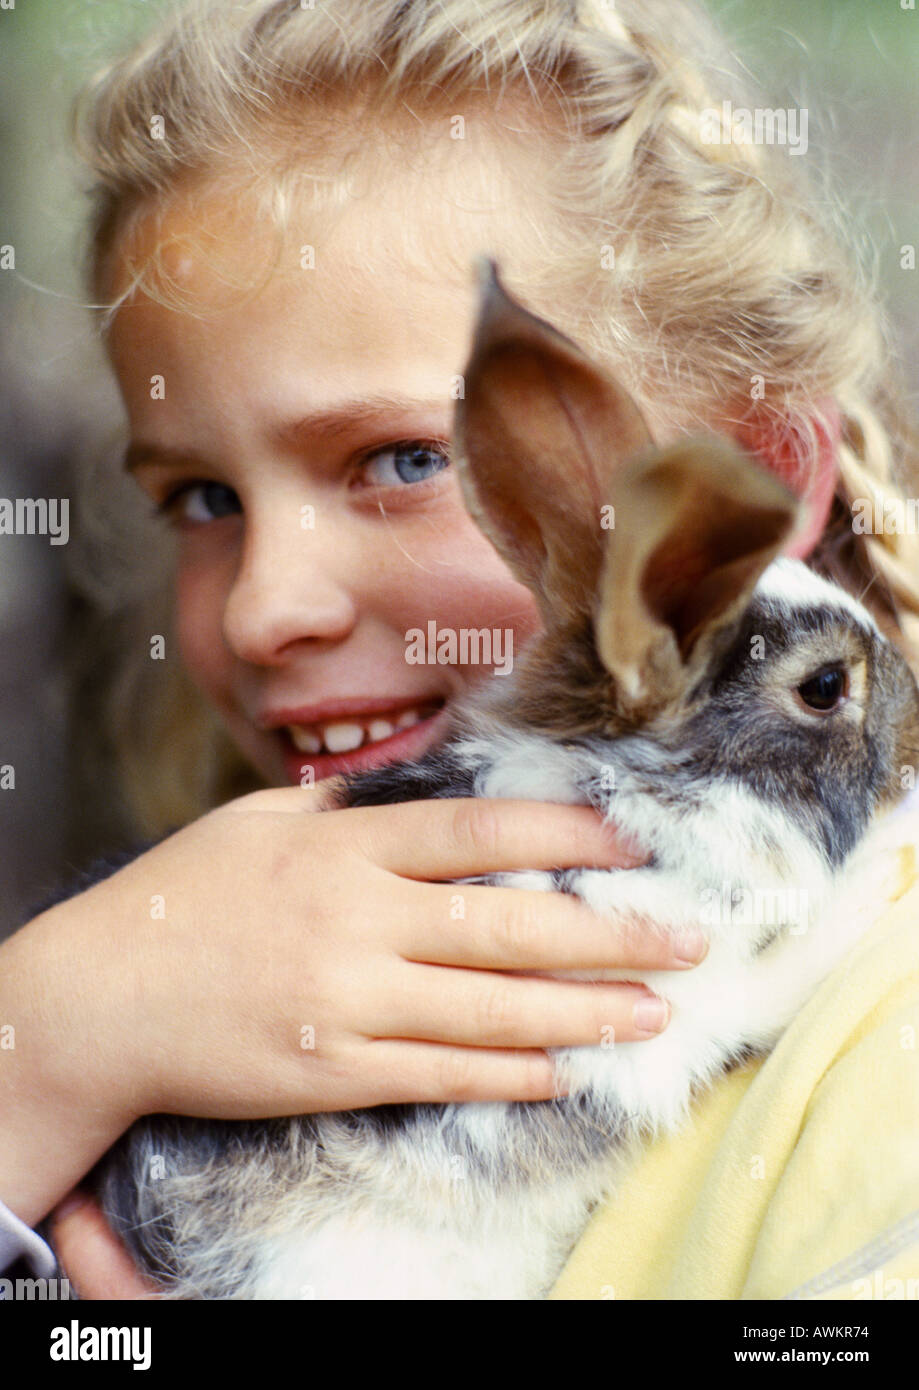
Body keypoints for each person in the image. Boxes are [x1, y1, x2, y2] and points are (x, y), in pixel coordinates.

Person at [2, 0, 919, 1300]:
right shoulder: (156, 972)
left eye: (407, 460)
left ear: (739, 485)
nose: (264, 609)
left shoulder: (882, 1052)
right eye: (202, 500)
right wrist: (43, 1044)